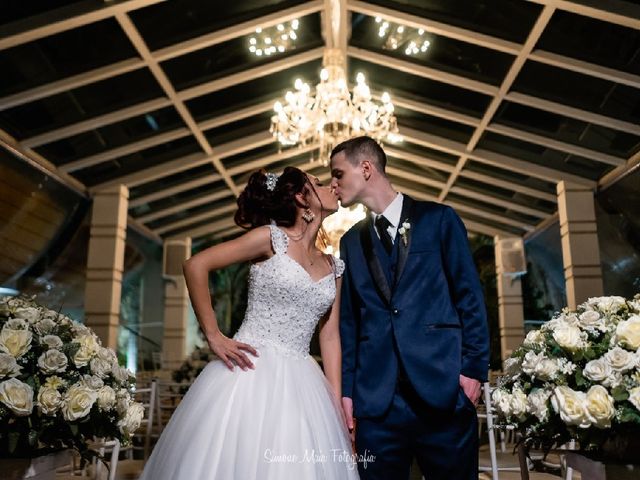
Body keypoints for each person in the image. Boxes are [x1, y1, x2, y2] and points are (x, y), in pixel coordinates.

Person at [139, 166, 359, 479]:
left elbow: (330, 336)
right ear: (300, 197)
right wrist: (214, 335)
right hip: (250, 369)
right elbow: (195, 265)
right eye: (318, 183)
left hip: (304, 381)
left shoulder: (333, 265)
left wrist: (336, 405)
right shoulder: (270, 238)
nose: (331, 187)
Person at [329, 136, 490, 480]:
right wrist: (347, 392)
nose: (334, 184)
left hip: (444, 391)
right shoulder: (350, 242)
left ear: (367, 168)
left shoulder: (440, 220)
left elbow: (470, 297)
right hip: (376, 403)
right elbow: (350, 324)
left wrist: (473, 370)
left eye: (338, 173)